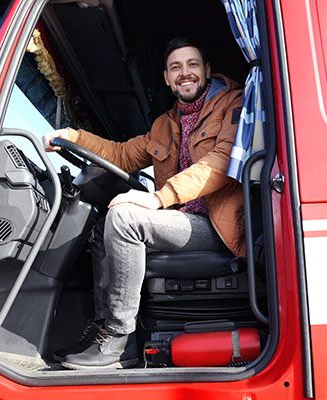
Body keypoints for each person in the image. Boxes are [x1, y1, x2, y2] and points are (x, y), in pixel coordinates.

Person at [43, 37, 245, 369]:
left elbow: (221, 162)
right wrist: (74, 137)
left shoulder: (231, 104)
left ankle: (120, 339)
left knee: (125, 219)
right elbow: (122, 154)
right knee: (100, 228)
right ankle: (103, 327)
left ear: (207, 70)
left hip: (214, 225)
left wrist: (157, 198)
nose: (185, 73)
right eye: (176, 67)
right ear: (167, 78)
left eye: (192, 65)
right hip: (181, 222)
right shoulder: (165, 124)